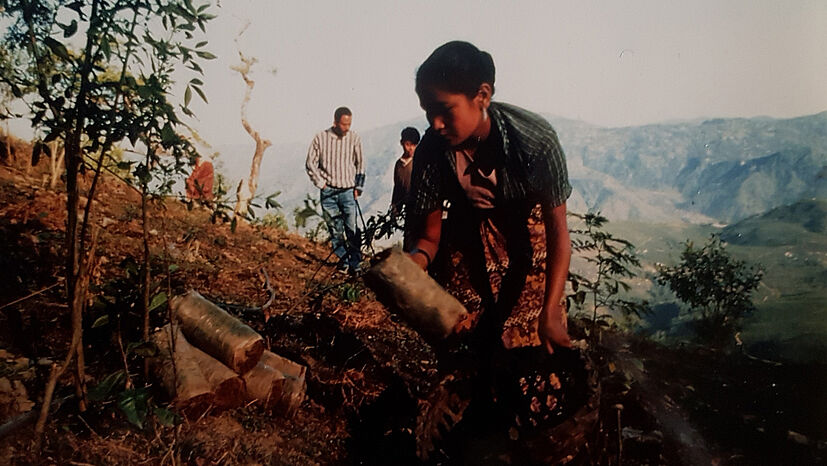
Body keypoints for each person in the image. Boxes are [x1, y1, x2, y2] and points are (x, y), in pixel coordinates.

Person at [405, 41, 573, 355]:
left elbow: (558, 232)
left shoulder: (535, 141)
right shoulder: (431, 150)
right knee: (471, 352)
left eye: (444, 110)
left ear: (482, 96)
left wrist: (550, 310)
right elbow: (429, 237)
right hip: (467, 246)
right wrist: (415, 264)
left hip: (530, 245)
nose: (435, 124)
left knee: (529, 354)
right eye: (428, 112)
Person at [306, 106, 365, 274]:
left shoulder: (354, 138)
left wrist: (358, 187)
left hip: (348, 191)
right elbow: (310, 162)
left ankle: (356, 263)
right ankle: (344, 261)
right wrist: (321, 183)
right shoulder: (321, 137)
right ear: (335, 122)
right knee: (335, 229)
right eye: (344, 124)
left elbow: (360, 163)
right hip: (329, 192)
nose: (347, 128)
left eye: (349, 124)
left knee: (351, 228)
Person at [390, 126, 421, 219]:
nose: (411, 148)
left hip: (422, 206)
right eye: (408, 144)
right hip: (409, 208)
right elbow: (398, 188)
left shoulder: (420, 161)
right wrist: (395, 209)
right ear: (401, 143)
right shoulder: (399, 165)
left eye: (414, 145)